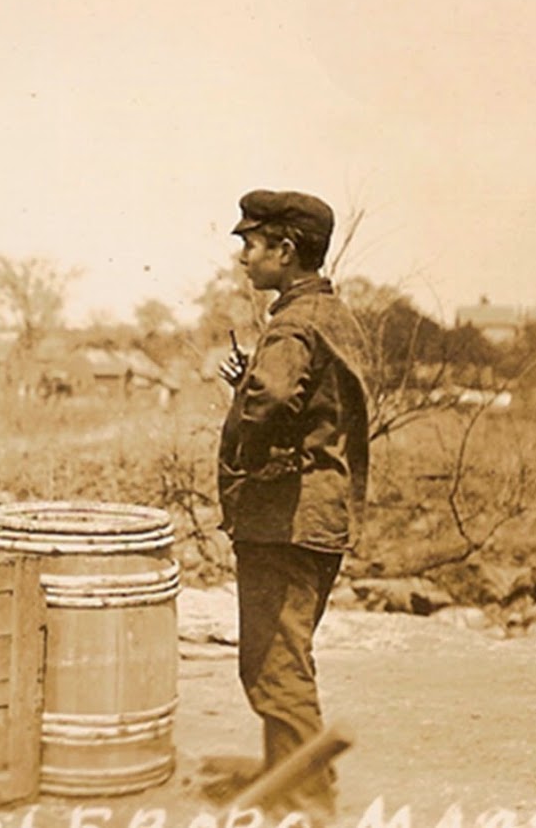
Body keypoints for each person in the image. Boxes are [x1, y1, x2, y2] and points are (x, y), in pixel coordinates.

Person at [216, 189, 370, 821]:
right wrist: (254, 379)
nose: (244, 258)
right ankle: (291, 787)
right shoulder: (335, 317)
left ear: (285, 250)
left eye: (251, 245)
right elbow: (318, 403)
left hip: (284, 519)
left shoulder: (292, 324)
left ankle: (309, 804)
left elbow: (272, 401)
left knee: (273, 667)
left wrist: (250, 428)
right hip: (322, 515)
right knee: (289, 656)